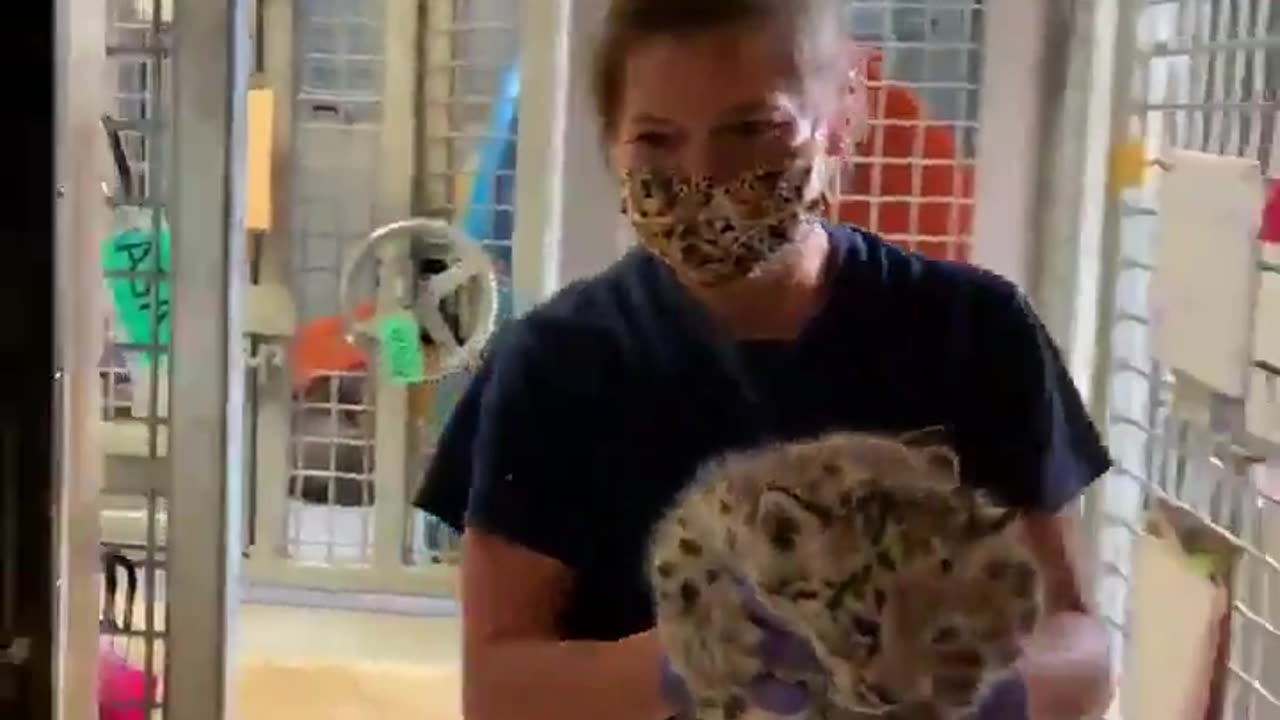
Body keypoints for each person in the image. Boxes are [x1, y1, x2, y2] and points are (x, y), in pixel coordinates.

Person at [414, 1, 1115, 718]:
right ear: (612, 143)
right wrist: (696, 663)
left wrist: (969, 688)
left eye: (752, 129)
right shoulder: (554, 365)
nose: (704, 176)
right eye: (657, 140)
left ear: (843, 117)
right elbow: (498, 691)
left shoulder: (976, 334)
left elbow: (1080, 648)